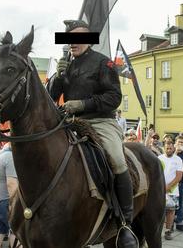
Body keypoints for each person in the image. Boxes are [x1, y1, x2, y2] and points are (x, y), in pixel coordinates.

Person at [47, 19, 137, 247]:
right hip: (70, 123)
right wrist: (58, 78)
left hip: (100, 122)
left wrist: (83, 105)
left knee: (117, 159)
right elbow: (50, 98)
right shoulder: (66, 64)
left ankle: (125, 224)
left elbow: (114, 98)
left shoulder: (103, 63)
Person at [158, 141, 183, 240]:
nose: (169, 150)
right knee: (159, 211)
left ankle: (168, 231)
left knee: (170, 211)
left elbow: (179, 176)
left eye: (170, 148)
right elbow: (156, 174)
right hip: (159, 189)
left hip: (172, 190)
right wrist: (161, 186)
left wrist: (168, 186)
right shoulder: (159, 158)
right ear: (164, 148)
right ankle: (158, 230)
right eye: (167, 148)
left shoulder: (178, 159)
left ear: (174, 148)